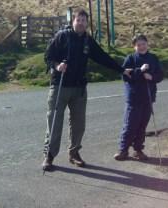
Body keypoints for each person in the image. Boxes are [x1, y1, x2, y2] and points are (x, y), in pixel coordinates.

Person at [42, 9, 132, 171]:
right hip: (60, 86)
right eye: (79, 20)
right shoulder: (62, 36)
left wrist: (121, 69)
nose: (81, 23)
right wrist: (57, 66)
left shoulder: (87, 41)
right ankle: (49, 156)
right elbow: (48, 56)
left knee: (79, 124)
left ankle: (74, 153)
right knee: (54, 123)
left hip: (79, 89)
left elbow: (102, 57)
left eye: (84, 20)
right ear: (73, 21)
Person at [114, 34, 164, 161]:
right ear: (134, 47)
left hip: (148, 97)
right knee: (130, 125)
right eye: (138, 45)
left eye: (143, 44)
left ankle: (138, 150)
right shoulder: (130, 58)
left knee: (142, 125)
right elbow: (125, 76)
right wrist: (140, 71)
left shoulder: (153, 58)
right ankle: (123, 150)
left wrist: (151, 77)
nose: (141, 47)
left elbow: (160, 75)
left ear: (147, 44)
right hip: (134, 97)